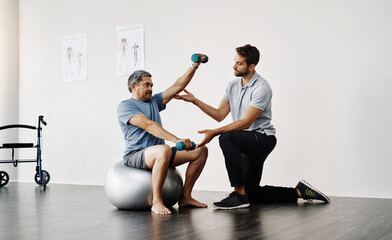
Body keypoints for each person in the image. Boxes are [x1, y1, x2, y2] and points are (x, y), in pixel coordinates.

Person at [174, 44, 330, 210]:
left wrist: (215, 132)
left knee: (227, 137)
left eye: (239, 63)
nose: (234, 66)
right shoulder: (232, 86)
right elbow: (219, 114)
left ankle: (238, 194)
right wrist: (195, 100)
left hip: (262, 139)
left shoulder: (262, 88)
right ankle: (300, 192)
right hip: (245, 139)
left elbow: (246, 122)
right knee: (253, 192)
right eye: (234, 61)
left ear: (252, 66)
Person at [117, 56, 208, 215]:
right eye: (146, 85)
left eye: (152, 85)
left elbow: (178, 85)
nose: (151, 89)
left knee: (201, 151)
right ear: (133, 86)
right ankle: (156, 201)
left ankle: (185, 197)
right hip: (137, 154)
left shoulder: (154, 101)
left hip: (160, 154)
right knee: (163, 149)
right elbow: (148, 125)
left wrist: (194, 66)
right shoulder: (125, 106)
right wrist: (176, 140)